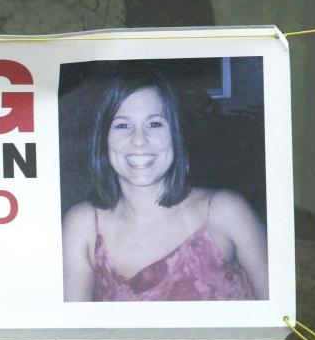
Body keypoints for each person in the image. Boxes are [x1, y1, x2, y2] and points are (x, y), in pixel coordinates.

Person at [62, 66, 269, 302]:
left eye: (154, 124)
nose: (139, 140)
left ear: (175, 135)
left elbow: (284, 322)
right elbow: (77, 333)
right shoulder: (82, 225)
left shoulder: (226, 212)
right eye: (122, 125)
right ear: (104, 139)